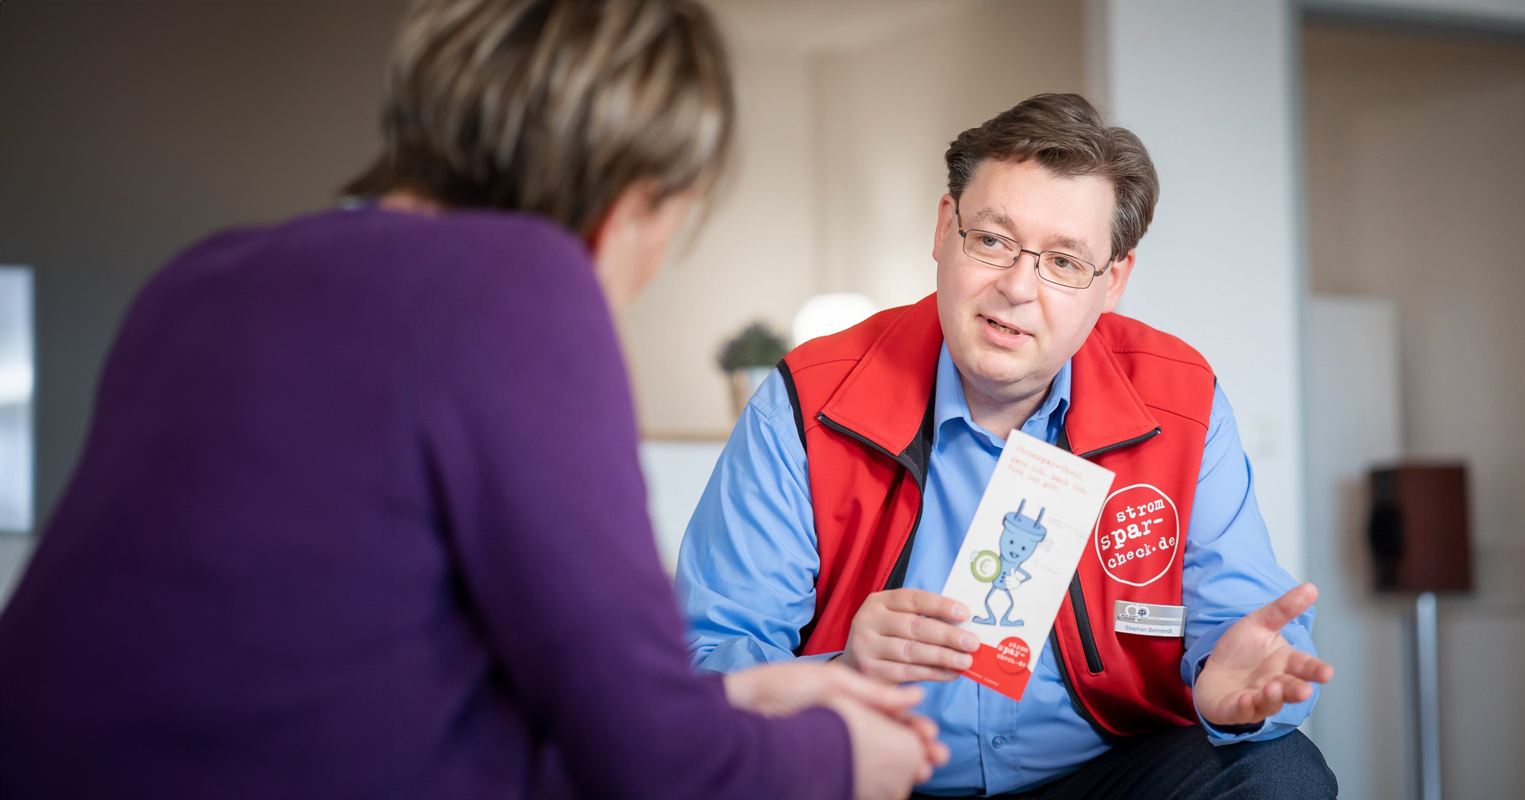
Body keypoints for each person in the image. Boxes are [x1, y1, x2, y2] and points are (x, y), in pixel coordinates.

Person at [0, 1, 942, 798]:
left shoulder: (202, 276)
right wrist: (850, 756)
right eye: (674, 218)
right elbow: (663, 769)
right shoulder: (522, 284)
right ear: (628, 196)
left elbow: (351, 681)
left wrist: (740, 699)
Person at [675, 93, 1340, 799]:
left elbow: (1244, 629)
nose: (1017, 288)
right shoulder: (807, 401)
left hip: (1099, 773)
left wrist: (1232, 686)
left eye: (1063, 262)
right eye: (991, 240)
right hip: (877, 773)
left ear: (1112, 281)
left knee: (1279, 776)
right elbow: (707, 665)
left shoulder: (1181, 402)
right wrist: (839, 676)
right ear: (943, 228)